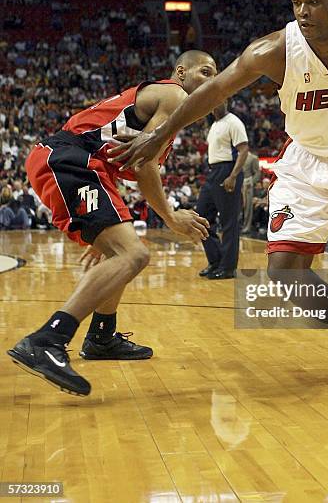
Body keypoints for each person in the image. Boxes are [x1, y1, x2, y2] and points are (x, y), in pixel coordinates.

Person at [108, 0, 328, 388]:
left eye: (314, 1)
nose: (303, 11)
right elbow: (214, 91)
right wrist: (160, 133)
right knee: (284, 273)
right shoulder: (272, 50)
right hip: (307, 165)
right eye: (297, 2)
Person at [7, 50, 216, 396]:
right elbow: (143, 168)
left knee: (120, 254)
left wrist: (103, 235)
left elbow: (133, 165)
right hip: (68, 160)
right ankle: (47, 339)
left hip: (81, 166)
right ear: (181, 72)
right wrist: (171, 217)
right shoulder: (174, 95)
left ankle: (102, 336)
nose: (212, 80)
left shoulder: (171, 116)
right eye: (205, 72)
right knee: (133, 255)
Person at [197, 102, 248, 279]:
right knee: (201, 218)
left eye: (219, 101)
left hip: (227, 170)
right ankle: (216, 260)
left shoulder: (233, 122)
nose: (215, 105)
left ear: (225, 102)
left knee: (229, 222)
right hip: (213, 172)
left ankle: (228, 267)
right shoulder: (214, 125)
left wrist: (233, 176)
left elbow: (243, 150)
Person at [241, 149, 261, 234]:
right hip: (238, 184)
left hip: (247, 184)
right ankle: (240, 225)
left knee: (248, 207)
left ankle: (247, 227)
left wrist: (251, 182)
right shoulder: (237, 157)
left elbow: (257, 173)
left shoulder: (253, 158)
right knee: (239, 206)